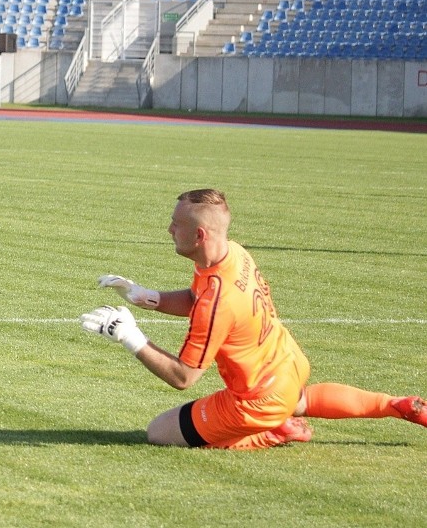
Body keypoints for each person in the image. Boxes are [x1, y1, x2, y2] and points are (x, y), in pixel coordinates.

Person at [80, 188, 425, 450]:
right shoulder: (230, 255)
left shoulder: (219, 299)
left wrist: (129, 336)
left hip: (257, 400)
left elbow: (183, 377)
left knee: (159, 432)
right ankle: (395, 405)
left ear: (199, 236)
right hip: (287, 364)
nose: (169, 229)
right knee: (298, 399)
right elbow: (195, 298)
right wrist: (148, 298)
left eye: (176, 224)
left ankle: (271, 432)